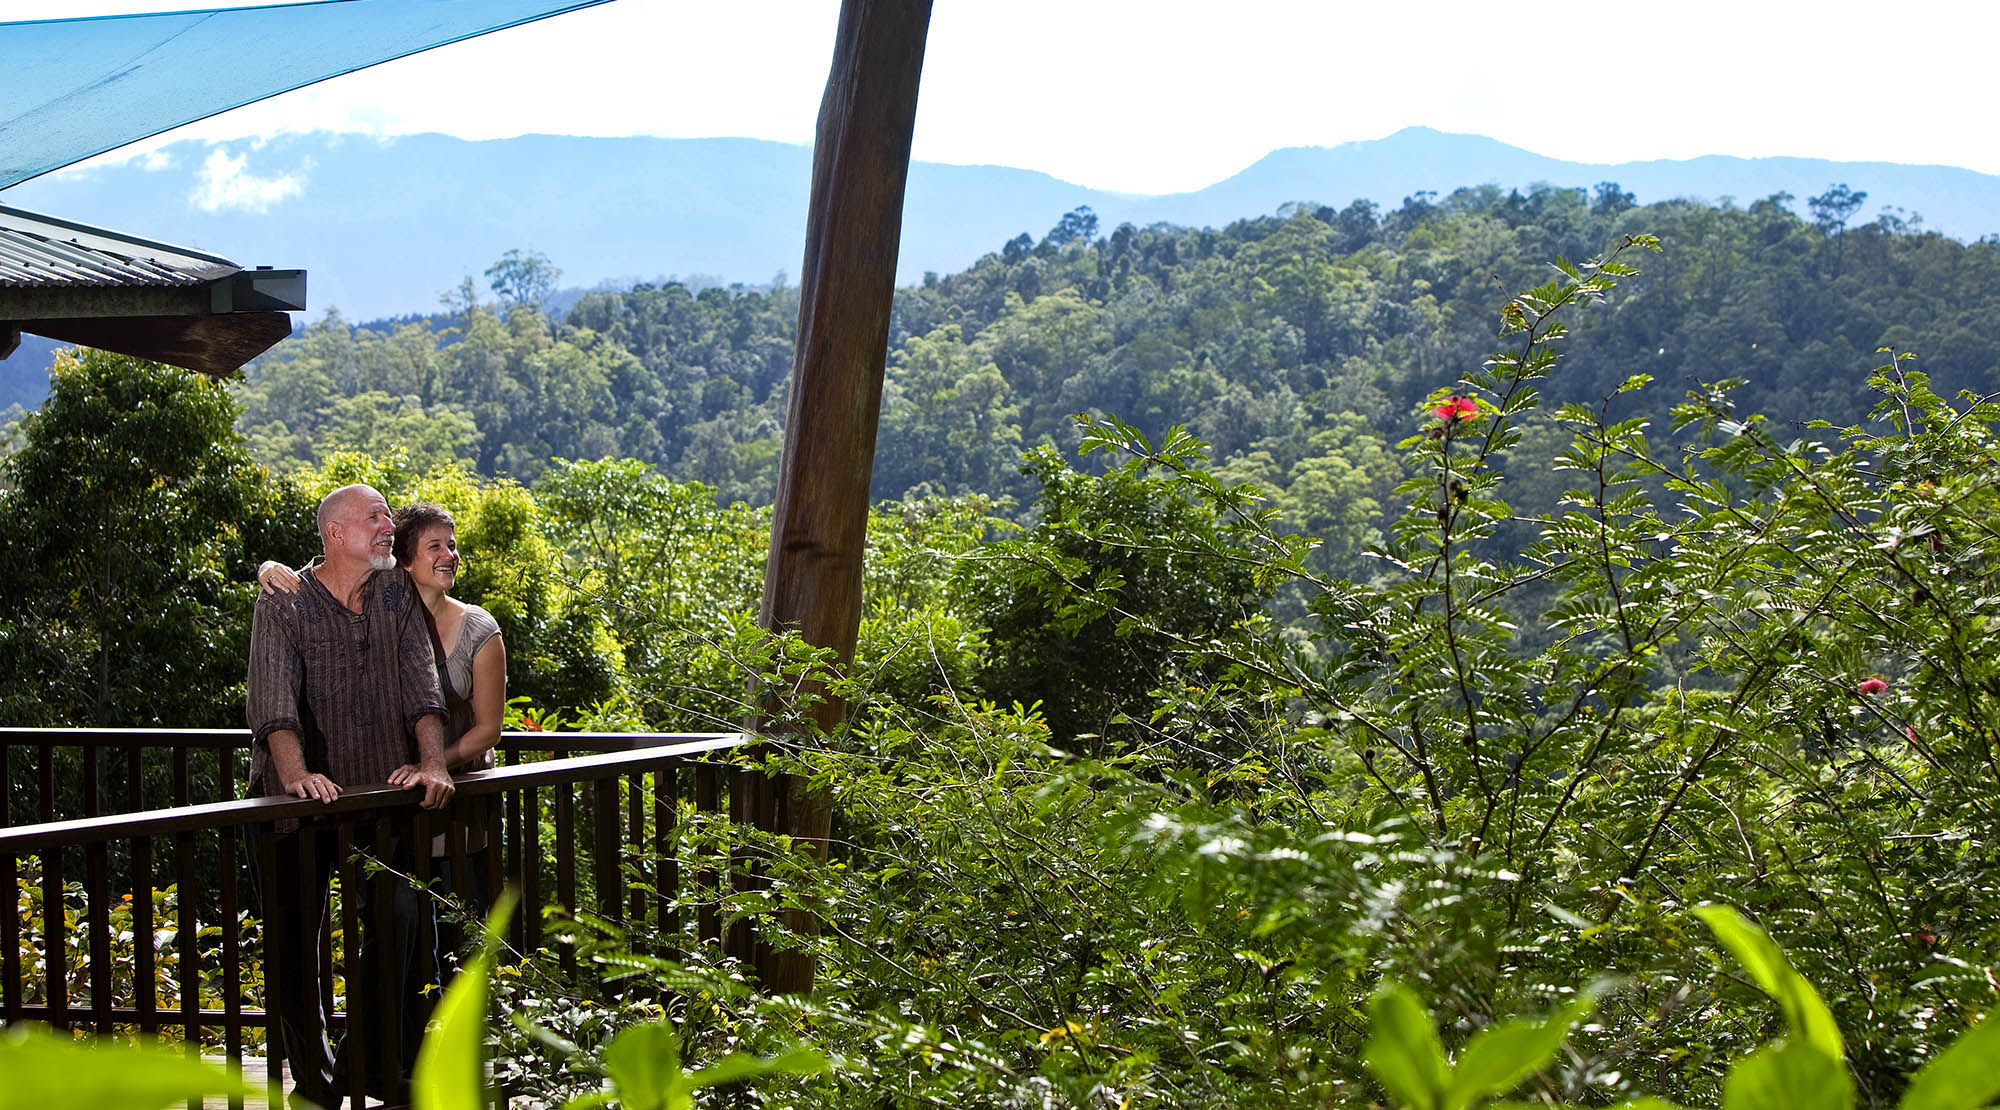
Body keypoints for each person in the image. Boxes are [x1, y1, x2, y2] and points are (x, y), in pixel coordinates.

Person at [244, 483, 453, 1108]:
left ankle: (365, 1066)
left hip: (375, 797)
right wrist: (296, 776)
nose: (389, 525)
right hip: (294, 809)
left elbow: (424, 686)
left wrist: (434, 764)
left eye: (389, 515)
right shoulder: (283, 602)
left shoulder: (395, 594)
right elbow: (273, 703)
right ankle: (314, 1081)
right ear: (335, 534)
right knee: (292, 945)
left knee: (402, 915)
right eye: (375, 517)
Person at [261, 502, 508, 912]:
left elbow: (448, 705)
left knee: (441, 924)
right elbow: (274, 695)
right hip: (390, 790)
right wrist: (268, 567)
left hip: (439, 796)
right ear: (404, 564)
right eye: (435, 547)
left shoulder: (465, 624)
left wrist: (431, 763)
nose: (450, 555)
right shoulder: (380, 597)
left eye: (452, 545)